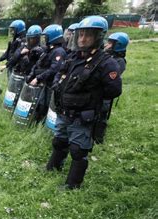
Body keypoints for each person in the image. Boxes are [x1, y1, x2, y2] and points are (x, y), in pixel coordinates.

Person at [47, 16, 122, 189]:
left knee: (78, 150)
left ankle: (73, 185)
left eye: (88, 35)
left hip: (82, 116)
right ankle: (53, 168)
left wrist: (92, 93)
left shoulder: (106, 63)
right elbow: (60, 74)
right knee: (59, 141)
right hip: (64, 111)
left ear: (98, 37)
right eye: (80, 35)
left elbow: (114, 90)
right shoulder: (73, 57)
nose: (82, 39)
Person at [94, 31, 129, 144]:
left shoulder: (120, 61)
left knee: (102, 116)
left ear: (117, 45)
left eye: (110, 43)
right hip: (97, 92)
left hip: (106, 93)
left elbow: (110, 77)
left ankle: (99, 139)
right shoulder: (108, 56)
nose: (107, 45)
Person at [28, 24, 67, 123]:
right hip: (44, 83)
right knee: (41, 103)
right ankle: (37, 122)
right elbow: (39, 64)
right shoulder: (49, 50)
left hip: (50, 85)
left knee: (47, 105)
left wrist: (38, 78)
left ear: (53, 37)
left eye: (46, 37)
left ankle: (43, 124)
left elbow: (54, 69)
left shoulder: (59, 51)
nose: (44, 39)